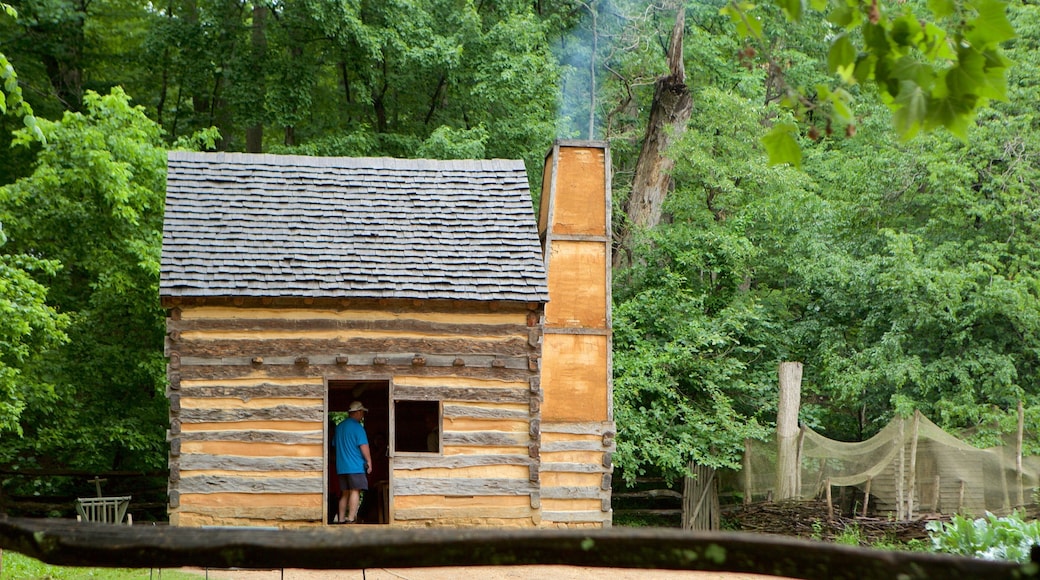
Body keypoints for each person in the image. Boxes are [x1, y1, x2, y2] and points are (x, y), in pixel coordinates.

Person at [333, 401, 372, 524]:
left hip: (341, 466)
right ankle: (351, 519)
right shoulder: (357, 427)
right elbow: (363, 446)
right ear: (358, 412)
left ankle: (340, 519)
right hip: (355, 466)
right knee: (355, 490)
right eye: (362, 413)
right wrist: (369, 461)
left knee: (344, 493)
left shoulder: (339, 427)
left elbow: (334, 444)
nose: (363, 415)